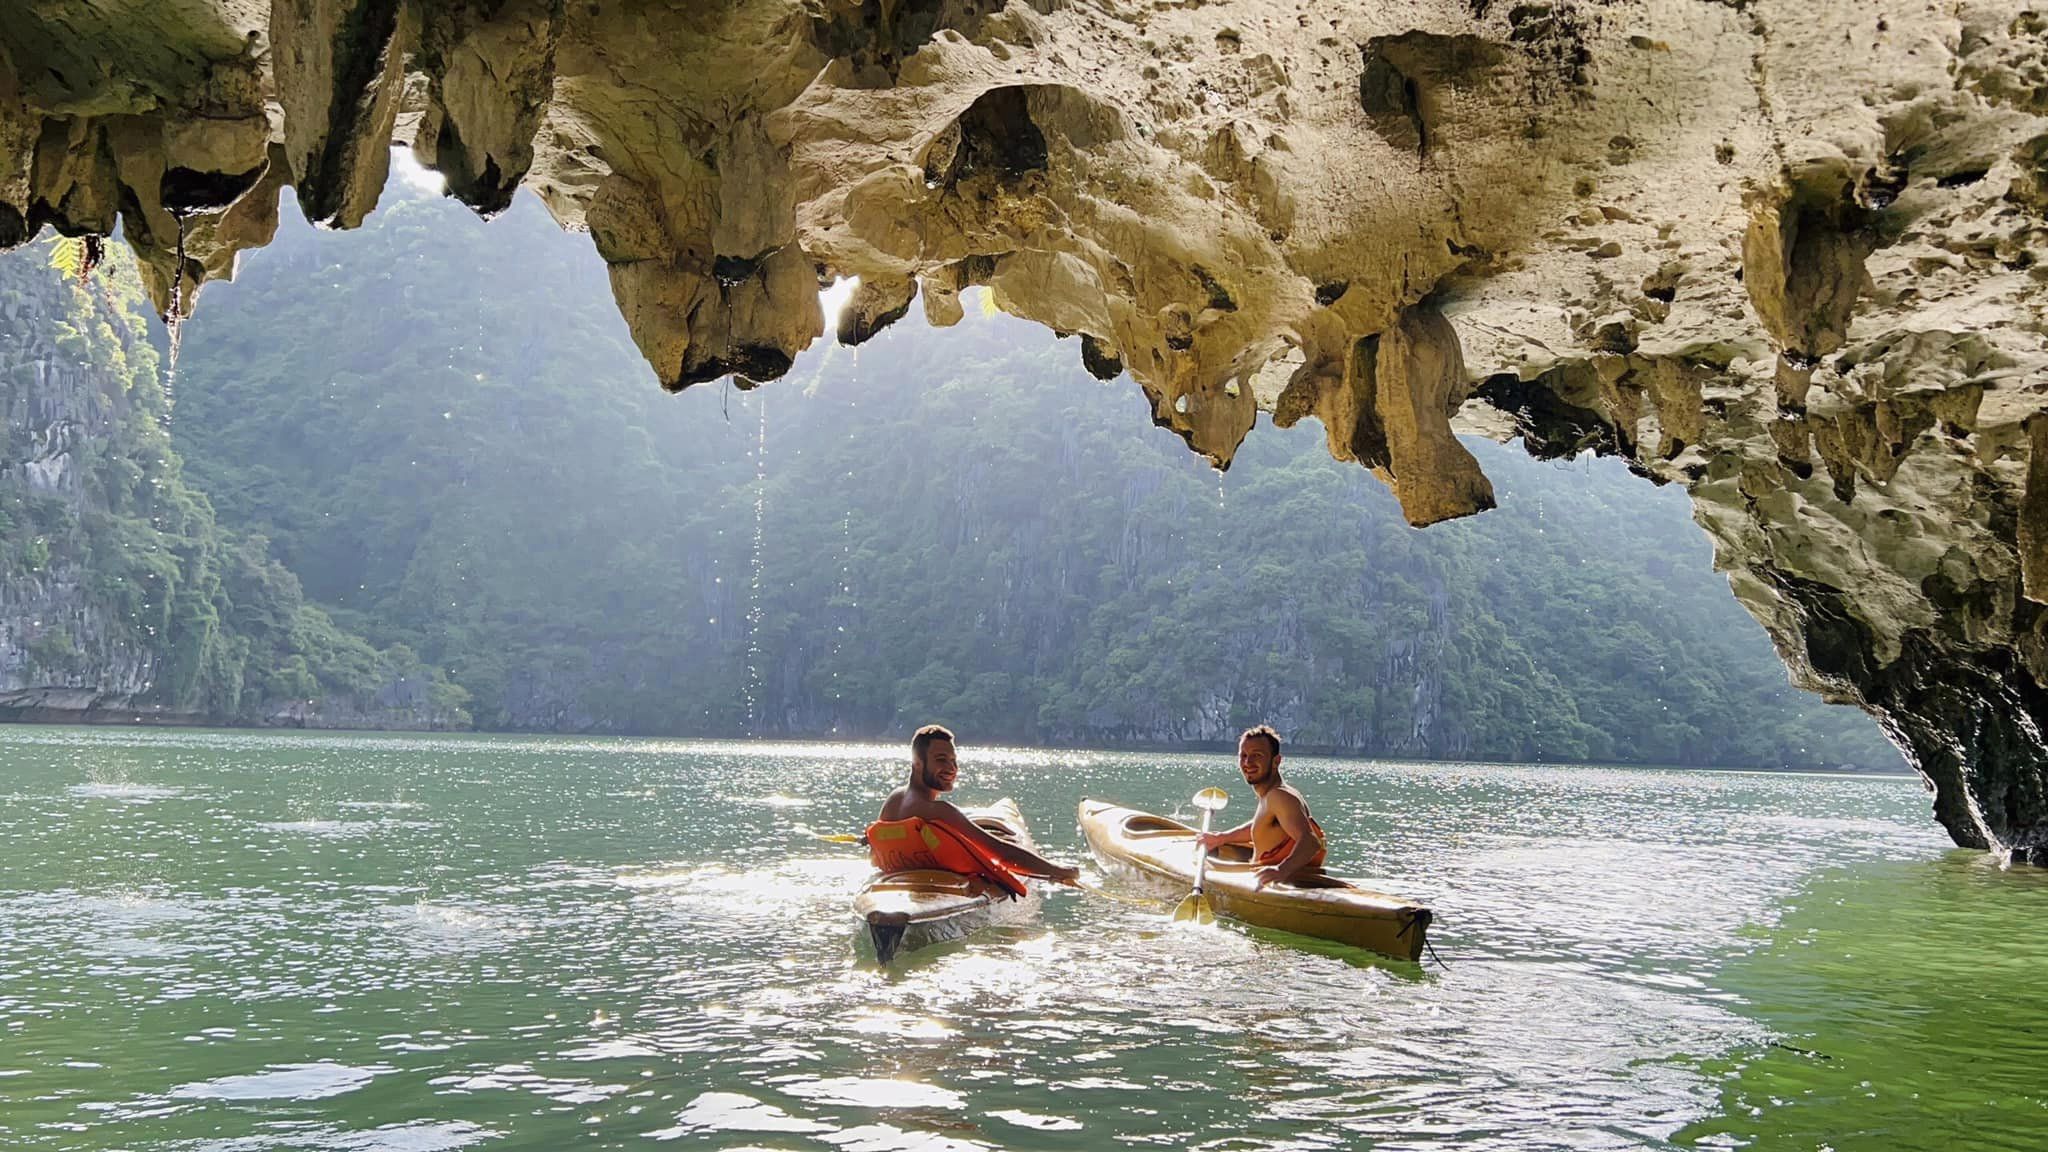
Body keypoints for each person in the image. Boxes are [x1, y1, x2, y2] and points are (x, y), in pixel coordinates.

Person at [867, 724, 1080, 890]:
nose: (951, 768)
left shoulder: (893, 800)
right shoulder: (937, 811)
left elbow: (875, 855)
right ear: (917, 763)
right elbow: (1001, 854)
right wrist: (1056, 870)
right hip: (929, 892)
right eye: (941, 759)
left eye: (954, 761)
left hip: (898, 881)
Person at [1196, 725, 1326, 890]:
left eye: (1257, 755)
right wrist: (1222, 837)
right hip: (1269, 875)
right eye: (1243, 756)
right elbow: (1264, 827)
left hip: (1281, 885)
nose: (1247, 762)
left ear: (1276, 761)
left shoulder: (1279, 796)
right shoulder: (1274, 795)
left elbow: (1310, 842)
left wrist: (1281, 870)